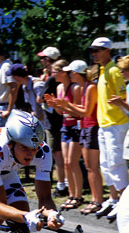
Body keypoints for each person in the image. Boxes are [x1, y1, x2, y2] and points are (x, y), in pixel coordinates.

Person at [46, 60, 103, 214]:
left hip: (81, 126)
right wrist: (58, 105)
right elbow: (65, 111)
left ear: (76, 73)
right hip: (72, 126)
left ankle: (87, 198)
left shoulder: (83, 87)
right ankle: (75, 196)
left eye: (71, 72)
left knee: (80, 164)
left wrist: (65, 105)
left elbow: (82, 112)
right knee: (67, 164)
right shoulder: (79, 87)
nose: (69, 74)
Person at [90, 37, 129, 218]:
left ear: (107, 50)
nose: (94, 54)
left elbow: (123, 97)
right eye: (93, 51)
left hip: (116, 124)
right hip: (105, 124)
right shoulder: (102, 70)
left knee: (116, 163)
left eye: (98, 50)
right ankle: (113, 198)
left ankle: (125, 201)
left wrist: (119, 103)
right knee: (105, 165)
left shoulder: (114, 71)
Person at [45, 60, 83, 210]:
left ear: (62, 72)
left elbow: (79, 111)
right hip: (65, 126)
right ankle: (71, 195)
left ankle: (78, 196)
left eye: (55, 71)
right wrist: (55, 106)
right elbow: (61, 113)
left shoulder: (75, 88)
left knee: (72, 162)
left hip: (75, 126)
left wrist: (64, 105)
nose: (53, 75)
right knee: (66, 163)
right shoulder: (60, 87)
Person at [36, 46, 67, 197]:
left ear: (49, 60)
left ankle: (62, 184)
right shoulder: (52, 77)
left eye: (43, 58)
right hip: (57, 118)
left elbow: (39, 98)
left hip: (53, 120)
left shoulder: (51, 78)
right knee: (60, 154)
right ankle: (64, 182)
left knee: (57, 154)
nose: (41, 61)